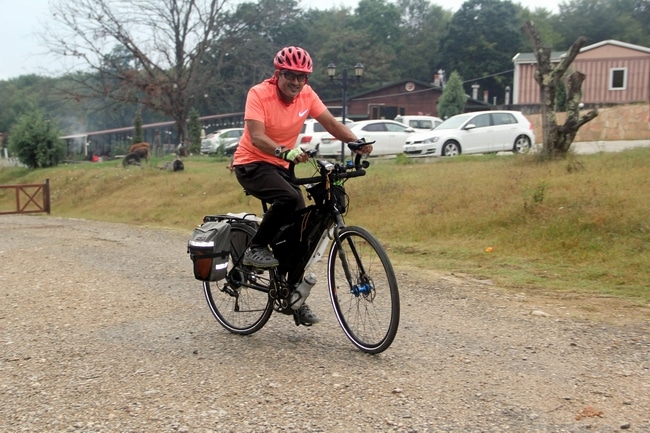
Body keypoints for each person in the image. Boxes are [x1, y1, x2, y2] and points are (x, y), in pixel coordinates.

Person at [232, 46, 372, 324]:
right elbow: (257, 137)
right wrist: (285, 151)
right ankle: (255, 248)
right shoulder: (259, 94)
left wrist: (354, 141)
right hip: (252, 163)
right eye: (291, 76)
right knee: (287, 199)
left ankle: (291, 293)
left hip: (283, 165)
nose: (296, 82)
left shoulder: (307, 95)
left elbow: (331, 123)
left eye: (302, 77)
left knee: (301, 222)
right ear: (278, 73)